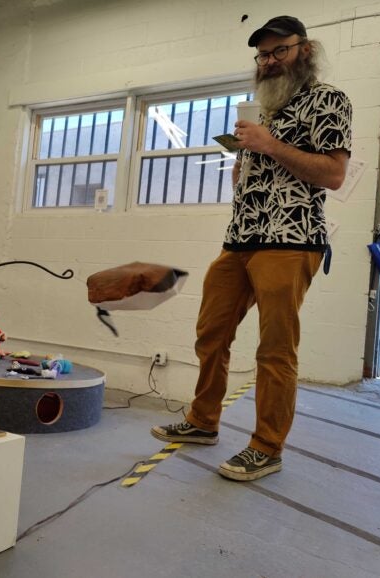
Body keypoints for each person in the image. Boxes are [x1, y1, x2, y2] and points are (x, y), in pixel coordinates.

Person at [151, 15, 352, 481]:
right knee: (211, 334)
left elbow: (333, 174)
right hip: (240, 237)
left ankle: (267, 447)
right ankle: (203, 422)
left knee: (275, 350)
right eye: (263, 55)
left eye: (279, 50)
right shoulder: (263, 109)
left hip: (291, 238)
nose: (269, 61)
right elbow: (266, 162)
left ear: (305, 49)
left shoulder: (329, 100)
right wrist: (245, 167)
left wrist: (269, 144)